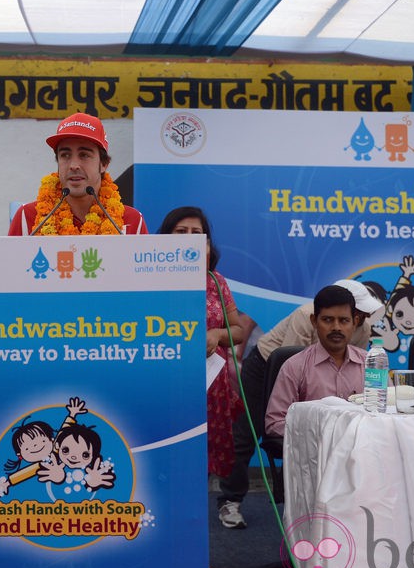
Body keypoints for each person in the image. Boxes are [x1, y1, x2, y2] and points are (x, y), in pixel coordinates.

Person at [220, 278, 381, 528]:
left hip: (322, 384)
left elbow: (353, 367)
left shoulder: (366, 335)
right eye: (329, 319)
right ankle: (231, 500)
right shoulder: (303, 322)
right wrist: (317, 427)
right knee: (247, 432)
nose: (339, 325)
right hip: (269, 365)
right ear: (317, 321)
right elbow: (290, 361)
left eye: (351, 317)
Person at [156, 206, 250, 531]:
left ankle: (192, 559)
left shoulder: (216, 282)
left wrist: (216, 334)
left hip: (211, 389)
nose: (190, 240)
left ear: (208, 245)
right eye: (180, 232)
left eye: (198, 234)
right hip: (166, 389)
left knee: (198, 473)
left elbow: (238, 330)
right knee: (165, 469)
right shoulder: (150, 280)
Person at [8, 112, 148, 236]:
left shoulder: (132, 221)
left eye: (84, 155)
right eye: (65, 155)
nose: (74, 165)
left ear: (104, 164)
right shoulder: (27, 218)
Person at [265, 285, 367, 438]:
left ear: (355, 322)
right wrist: (317, 432)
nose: (336, 327)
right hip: (312, 456)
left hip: (360, 453)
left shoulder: (370, 364)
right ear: (314, 321)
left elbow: (388, 415)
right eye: (327, 320)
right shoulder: (295, 366)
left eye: (344, 320)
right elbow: (274, 423)